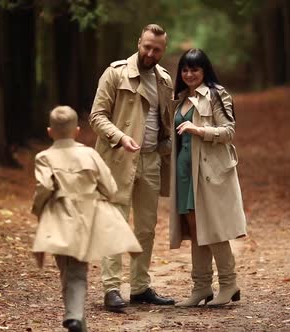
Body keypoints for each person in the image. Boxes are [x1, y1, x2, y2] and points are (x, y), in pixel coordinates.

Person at [31, 106, 142, 331]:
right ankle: (76, 319)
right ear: (77, 131)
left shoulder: (44, 157)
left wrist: (38, 210)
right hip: (86, 218)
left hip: (59, 218)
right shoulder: (90, 154)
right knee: (77, 271)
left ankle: (74, 316)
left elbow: (43, 187)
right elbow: (110, 187)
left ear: (50, 131)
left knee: (67, 270)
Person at [89, 24, 175, 312]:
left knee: (146, 228)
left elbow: (165, 122)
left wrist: (169, 146)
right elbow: (96, 116)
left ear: (163, 50)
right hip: (119, 159)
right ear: (139, 42)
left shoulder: (164, 79)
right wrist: (120, 137)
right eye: (147, 46)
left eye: (157, 49)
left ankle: (139, 287)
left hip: (151, 160)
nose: (150, 53)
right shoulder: (114, 73)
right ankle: (111, 289)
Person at [169, 48, 247, 307]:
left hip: (209, 170)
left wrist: (198, 129)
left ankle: (228, 283)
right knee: (195, 228)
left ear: (204, 71)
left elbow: (229, 131)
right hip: (184, 170)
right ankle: (201, 287)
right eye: (185, 69)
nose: (190, 74)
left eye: (195, 69)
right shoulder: (179, 99)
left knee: (212, 227)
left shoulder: (216, 94)